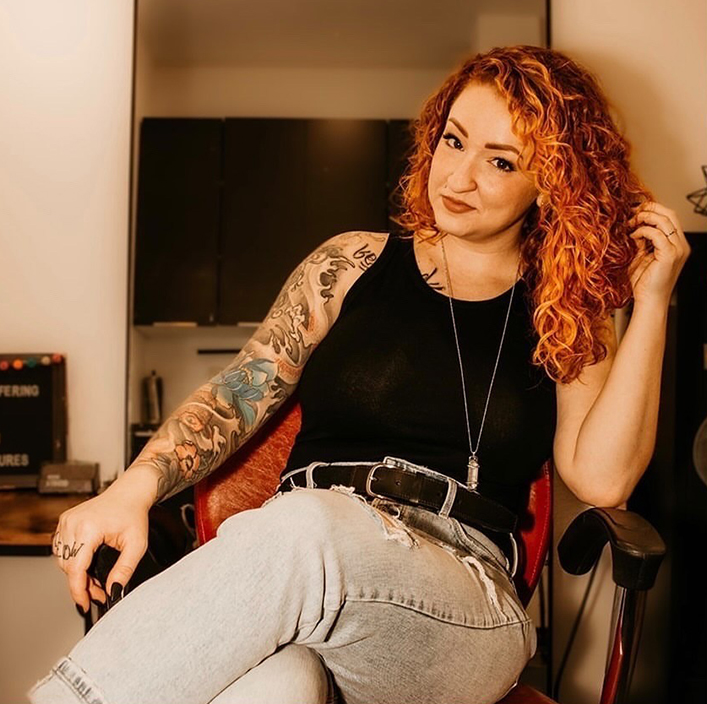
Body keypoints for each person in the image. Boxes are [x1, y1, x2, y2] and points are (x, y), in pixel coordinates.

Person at [28, 44, 689, 704]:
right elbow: (240, 390)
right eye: (453, 142)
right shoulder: (349, 264)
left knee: (306, 528)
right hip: (304, 578)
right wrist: (132, 490)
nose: (457, 178)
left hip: (458, 603)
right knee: (278, 686)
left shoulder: (560, 308)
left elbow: (602, 480)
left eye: (499, 161)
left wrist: (653, 303)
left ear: (550, 180)